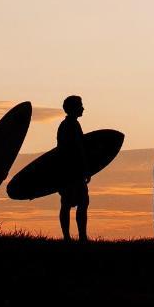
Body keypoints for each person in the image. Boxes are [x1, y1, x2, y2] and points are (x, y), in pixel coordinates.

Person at [57, 95, 91, 242]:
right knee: (72, 203)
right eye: (80, 105)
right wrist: (85, 168)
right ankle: (72, 237)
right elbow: (76, 150)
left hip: (70, 171)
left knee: (77, 203)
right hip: (71, 172)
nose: (83, 108)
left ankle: (76, 236)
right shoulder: (69, 126)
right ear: (73, 108)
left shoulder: (71, 125)